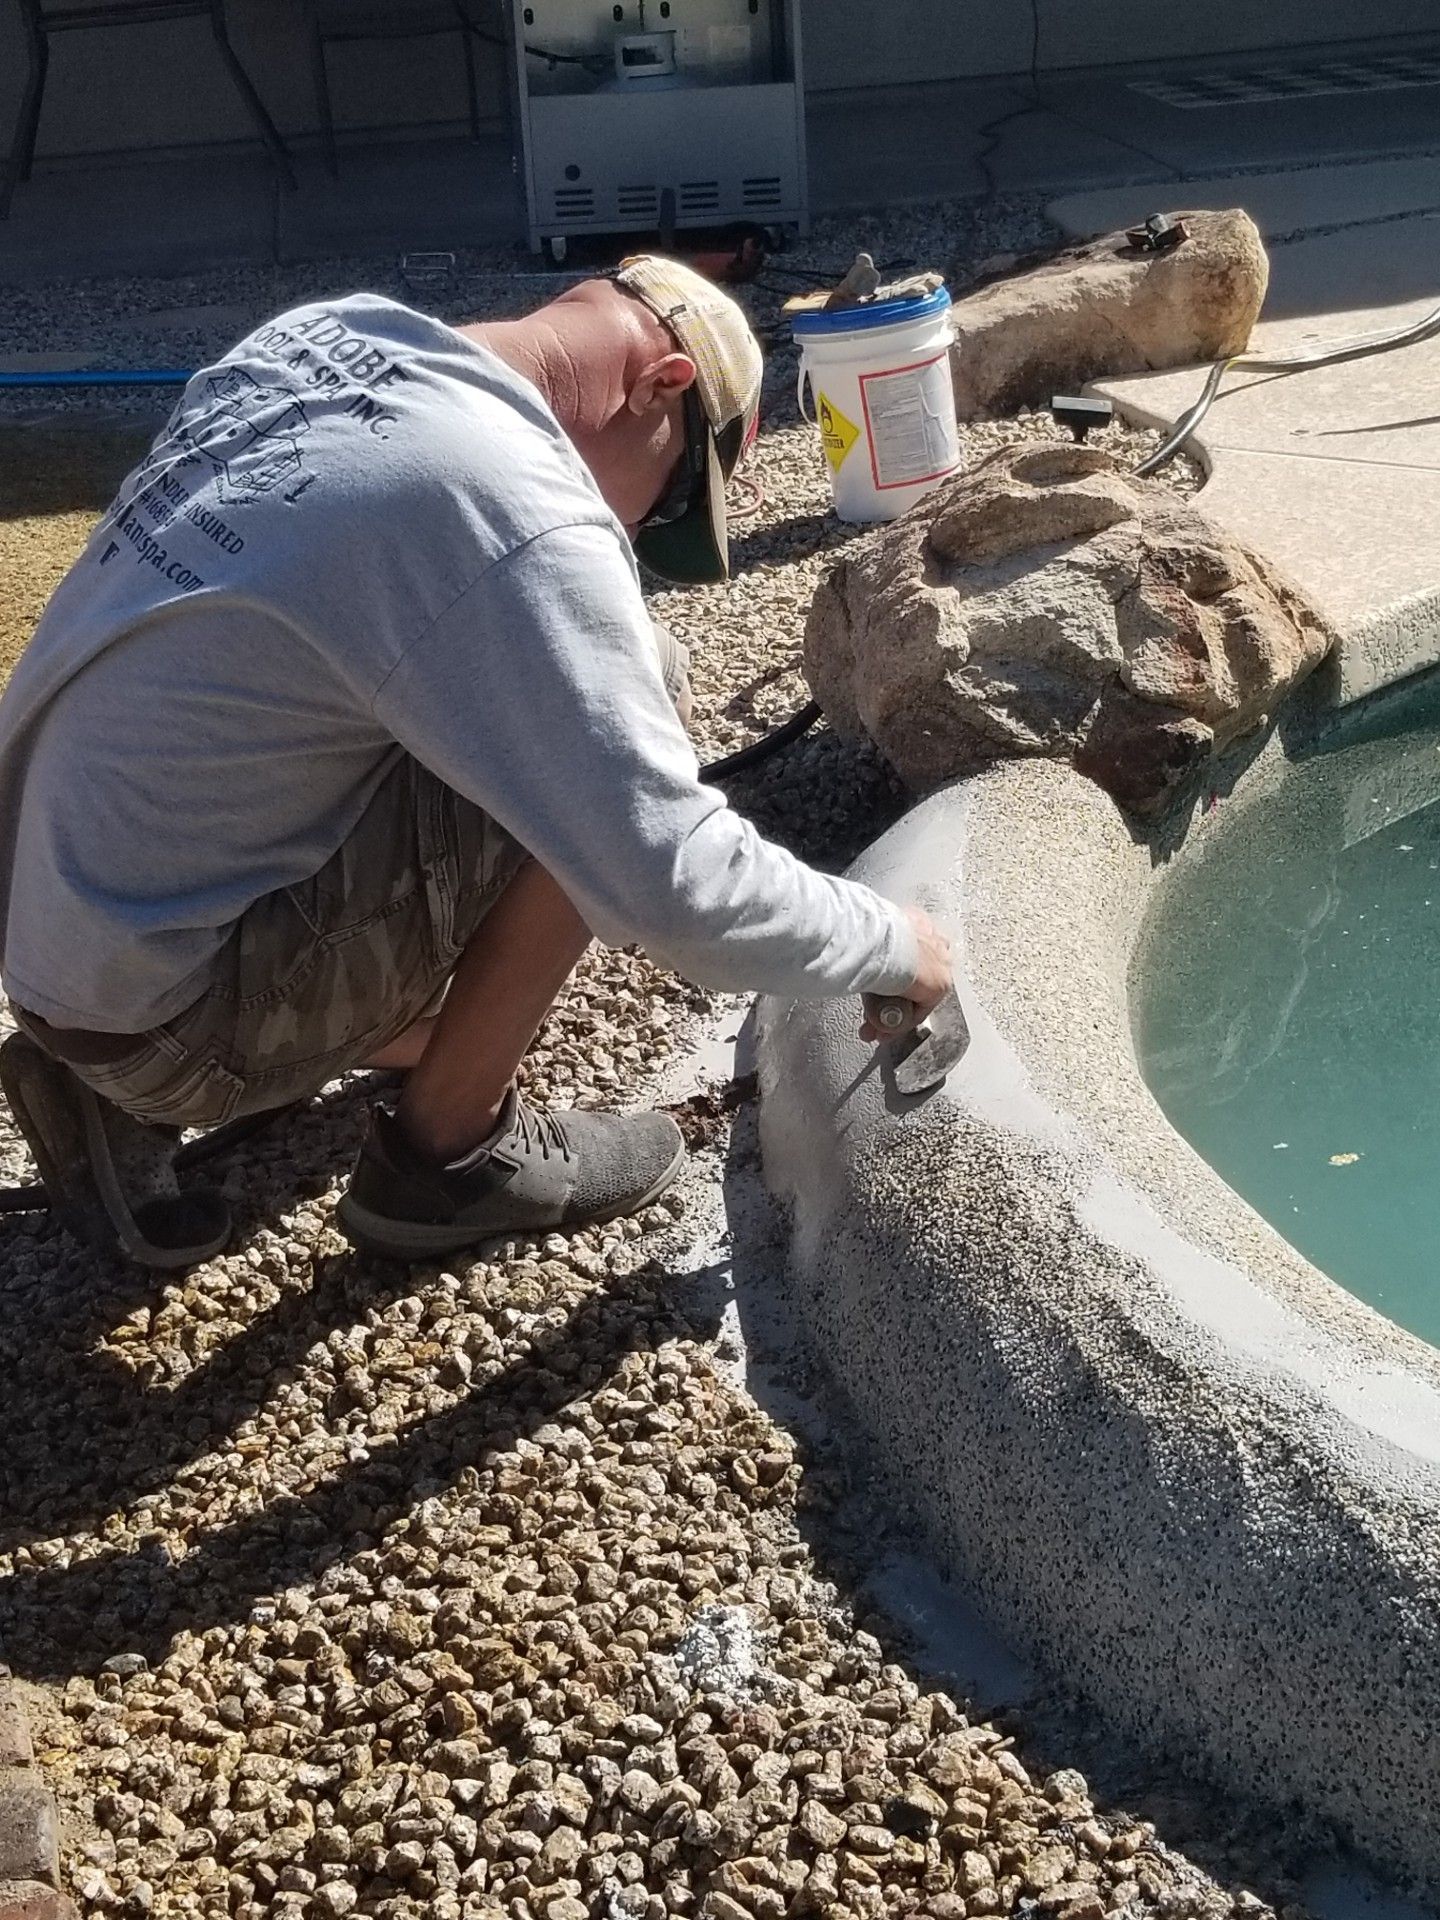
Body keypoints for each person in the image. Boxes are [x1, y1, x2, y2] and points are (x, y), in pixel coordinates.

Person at [0, 257, 952, 1268]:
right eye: (666, 503)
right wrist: (897, 944)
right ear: (659, 386)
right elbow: (676, 889)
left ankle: (111, 1077)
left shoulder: (325, 339)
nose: (632, 532)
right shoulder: (500, 498)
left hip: (55, 933)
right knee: (635, 702)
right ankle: (446, 1158)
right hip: (166, 1019)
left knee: (571, 686)